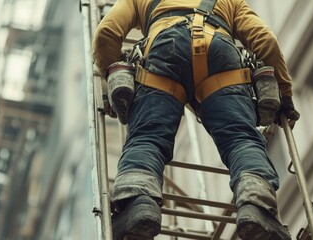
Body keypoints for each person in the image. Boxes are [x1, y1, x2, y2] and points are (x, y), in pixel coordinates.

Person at [92, 0, 300, 239]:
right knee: (240, 139)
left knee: (148, 137)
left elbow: (106, 32)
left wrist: (114, 74)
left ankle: (138, 204)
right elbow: (265, 40)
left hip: (163, 54)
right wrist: (284, 93)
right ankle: (257, 207)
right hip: (221, 59)